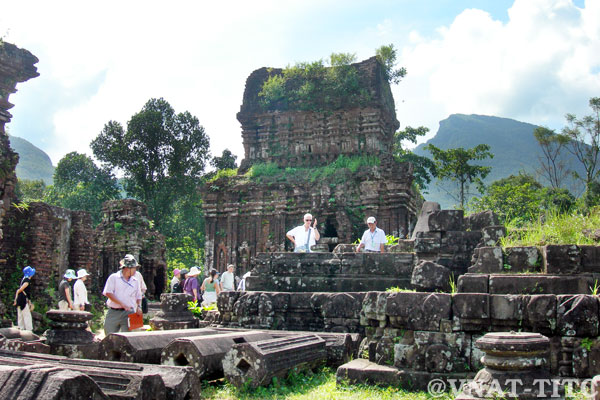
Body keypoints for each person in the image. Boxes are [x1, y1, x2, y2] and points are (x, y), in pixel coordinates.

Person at [102, 254, 143, 335]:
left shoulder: (135, 281)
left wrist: (139, 307)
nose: (135, 270)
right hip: (114, 311)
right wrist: (122, 304)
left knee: (132, 337)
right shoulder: (113, 277)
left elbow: (138, 296)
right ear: (128, 268)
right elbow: (108, 293)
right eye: (134, 268)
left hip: (130, 312)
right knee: (109, 335)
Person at [14, 266, 35, 331]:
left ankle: (21, 328)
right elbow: (20, 290)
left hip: (20, 298)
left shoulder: (24, 279)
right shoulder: (27, 280)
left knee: (20, 315)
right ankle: (28, 330)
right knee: (26, 315)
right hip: (23, 299)